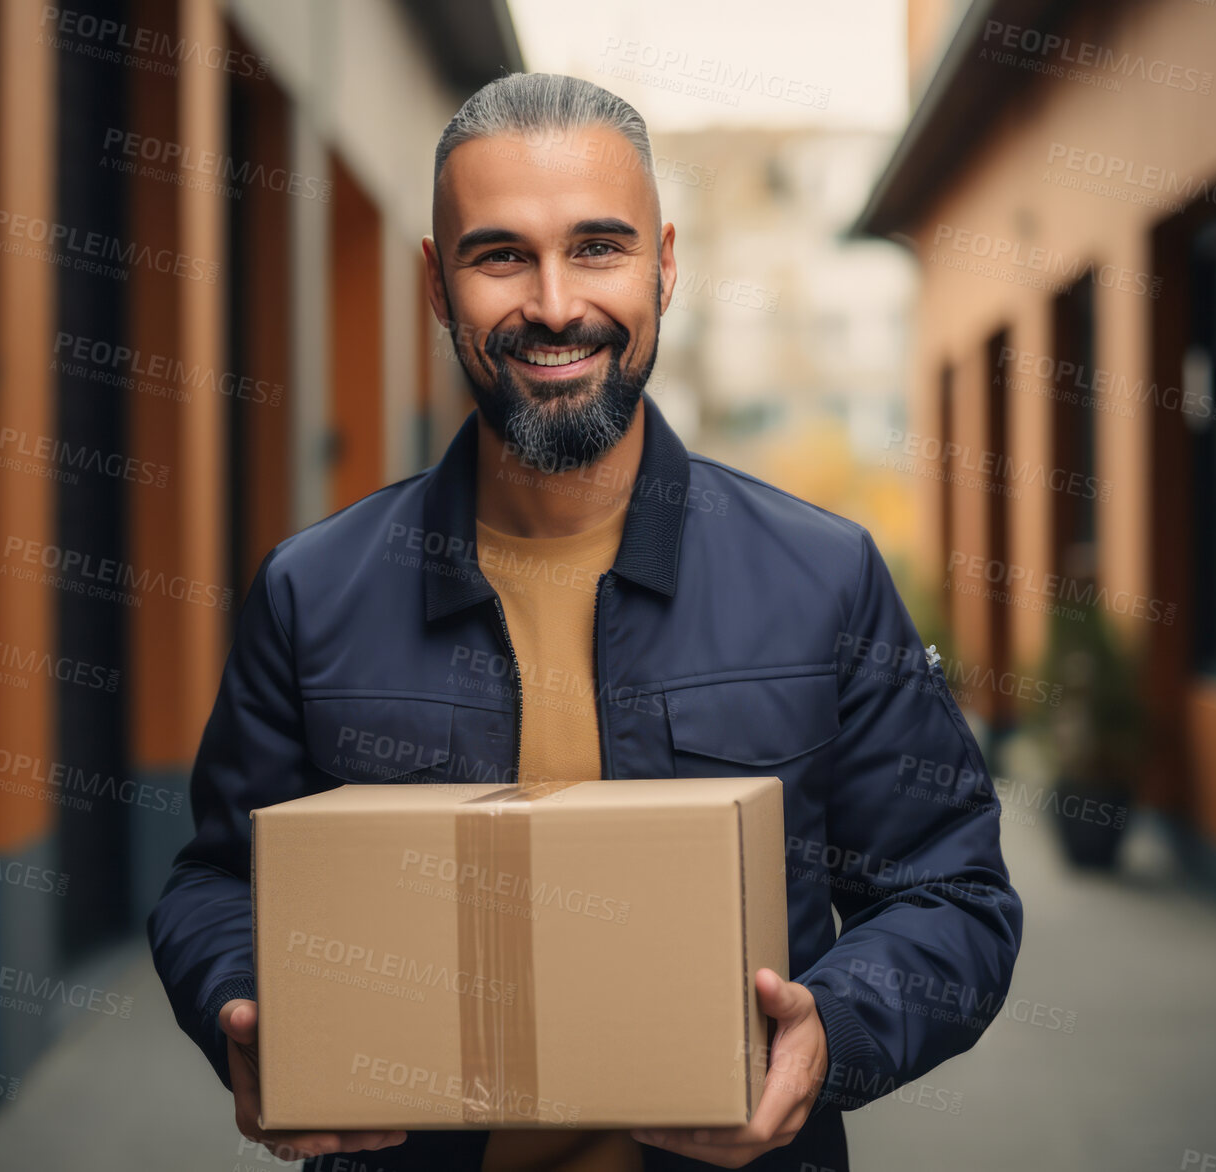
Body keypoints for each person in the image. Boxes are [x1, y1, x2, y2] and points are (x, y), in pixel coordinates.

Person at [149, 72, 1023, 1172]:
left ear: (663, 263)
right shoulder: (310, 591)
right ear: (434, 281)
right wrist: (240, 1003)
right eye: (500, 254)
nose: (555, 304)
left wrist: (832, 1027)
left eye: (597, 247)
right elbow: (219, 878)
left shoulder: (822, 578)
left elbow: (950, 891)